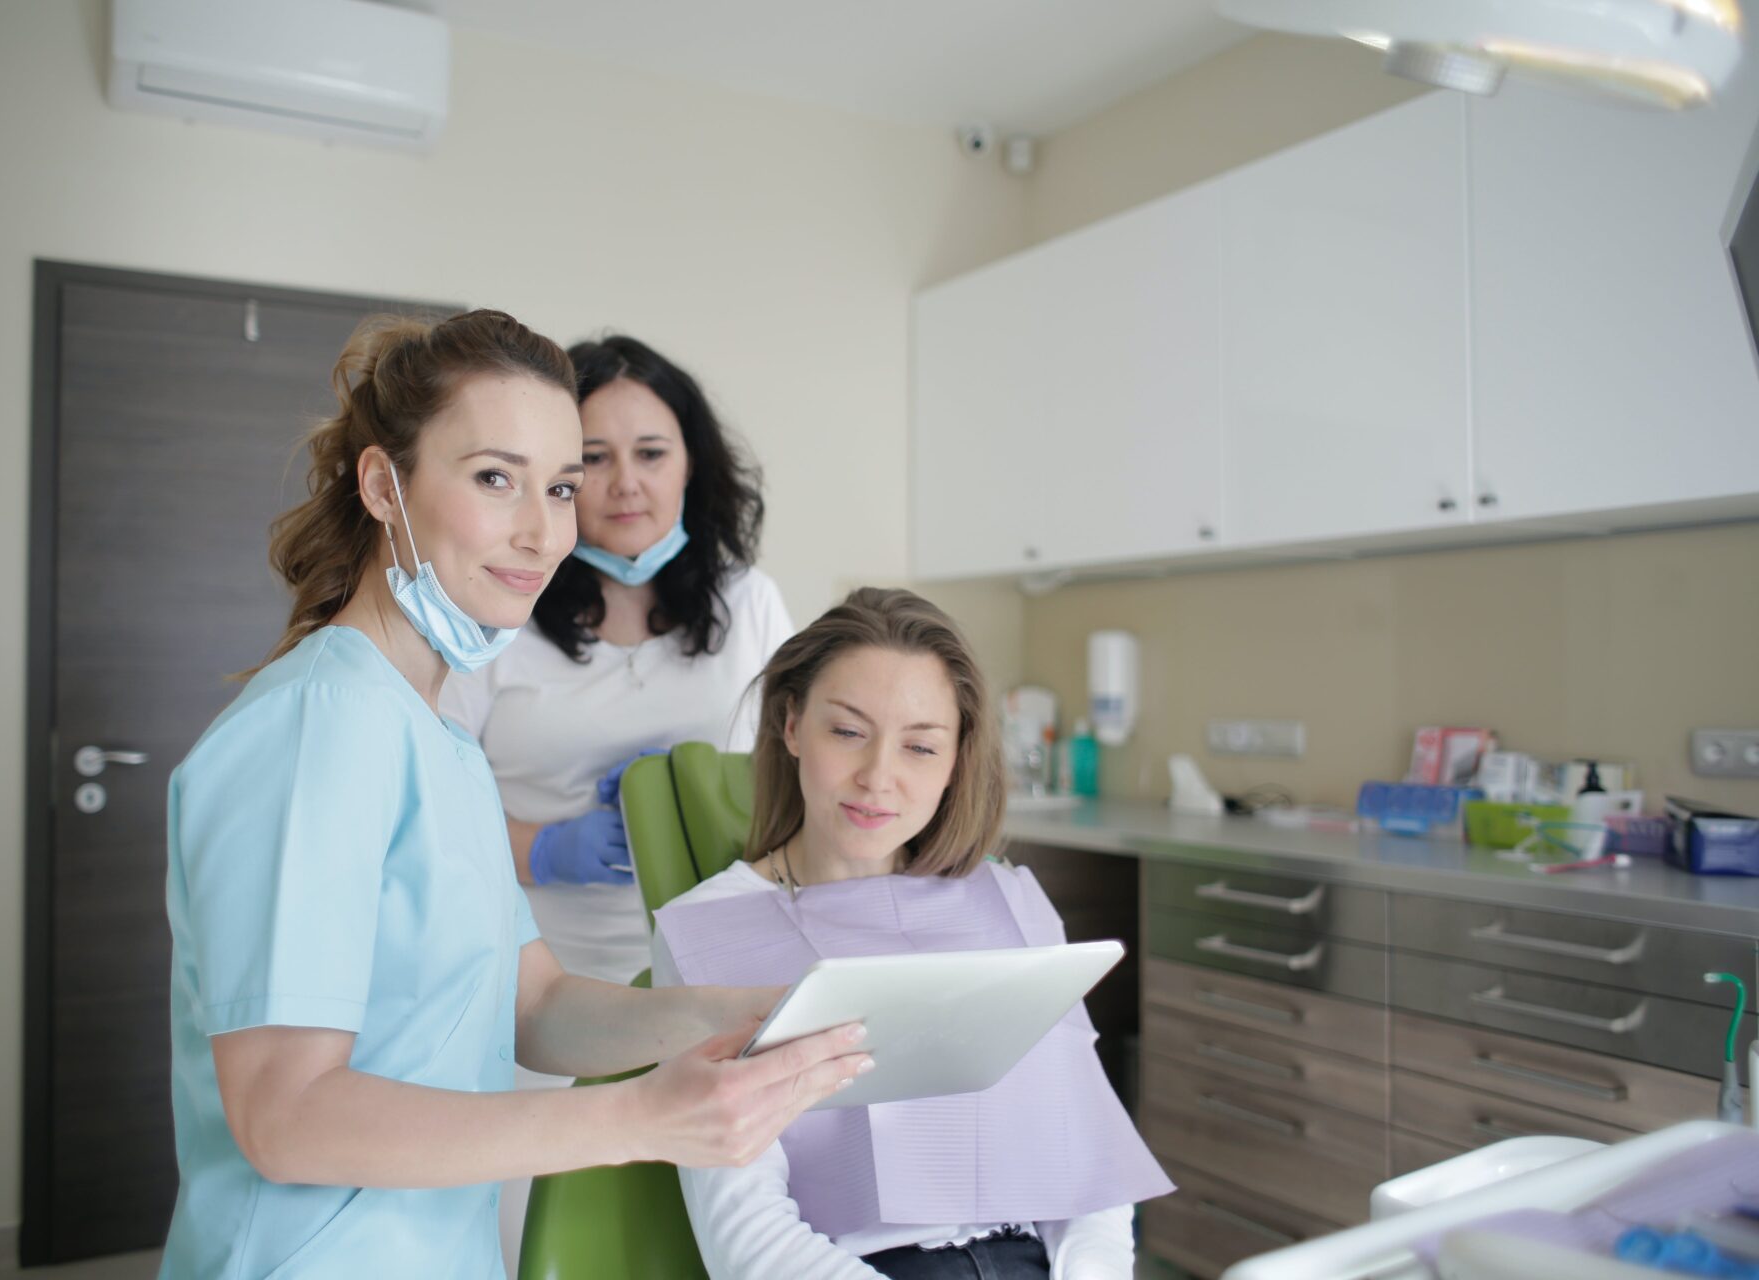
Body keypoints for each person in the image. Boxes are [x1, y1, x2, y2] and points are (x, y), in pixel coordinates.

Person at [160, 309, 869, 1279]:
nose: (544, 530)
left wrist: (751, 1016)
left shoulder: (437, 729)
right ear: (382, 483)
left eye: (560, 485)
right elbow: (285, 1116)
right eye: (496, 477)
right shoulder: (319, 725)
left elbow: (531, 1001)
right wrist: (635, 1117)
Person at [652, 588, 1172, 1280]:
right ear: (791, 725)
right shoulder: (708, 932)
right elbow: (745, 1235)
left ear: (956, 760)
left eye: (921, 746)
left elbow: (1086, 1166)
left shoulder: (1005, 902)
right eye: (846, 732)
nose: (879, 779)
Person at [441, 334, 793, 986]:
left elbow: (800, 779)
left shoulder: (752, 605)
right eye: (594, 458)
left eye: (652, 454)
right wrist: (543, 850)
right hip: (531, 976)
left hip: (716, 970)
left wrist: (709, 787)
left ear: (691, 464)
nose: (626, 484)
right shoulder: (494, 612)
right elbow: (429, 810)